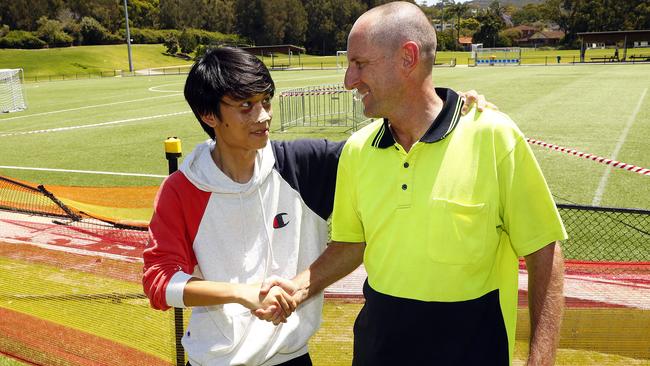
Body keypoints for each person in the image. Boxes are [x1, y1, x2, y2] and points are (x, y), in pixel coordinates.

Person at [255, 2, 567, 366]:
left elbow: (544, 252)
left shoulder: (493, 136)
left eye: (360, 64)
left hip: (474, 352)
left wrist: (540, 360)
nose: (349, 80)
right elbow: (351, 244)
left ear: (407, 58)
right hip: (378, 351)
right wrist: (298, 287)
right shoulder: (358, 150)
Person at [142, 46, 491, 366]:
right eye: (246, 105)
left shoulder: (302, 166)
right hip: (213, 361)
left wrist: (443, 111)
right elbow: (159, 282)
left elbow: (382, 150)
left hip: (293, 358)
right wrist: (242, 294)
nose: (263, 116)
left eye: (266, 101)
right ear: (209, 116)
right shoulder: (182, 189)